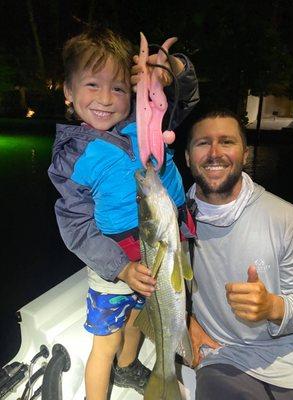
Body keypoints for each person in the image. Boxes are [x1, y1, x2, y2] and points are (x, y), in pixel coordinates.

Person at [48, 27, 199, 400]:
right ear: (68, 91)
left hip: (163, 254)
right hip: (112, 267)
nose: (105, 99)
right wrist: (121, 268)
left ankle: (129, 365)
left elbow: (187, 98)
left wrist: (172, 70)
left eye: (117, 88)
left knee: (137, 319)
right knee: (105, 342)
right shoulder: (72, 157)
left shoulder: (146, 120)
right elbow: (77, 227)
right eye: (91, 85)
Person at [185, 110, 293, 400]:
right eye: (202, 143)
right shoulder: (172, 219)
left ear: (244, 154)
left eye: (226, 142)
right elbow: (152, 279)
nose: (214, 153)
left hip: (291, 355)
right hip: (222, 355)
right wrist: (185, 318)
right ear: (187, 157)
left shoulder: (286, 217)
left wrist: (272, 307)